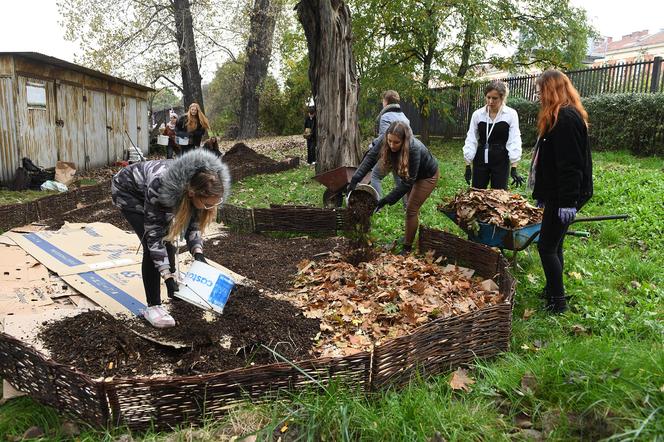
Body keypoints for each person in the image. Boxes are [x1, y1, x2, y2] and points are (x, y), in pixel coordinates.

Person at [111, 150, 231, 327]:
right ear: (191, 194)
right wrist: (167, 276)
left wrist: (198, 252)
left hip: (158, 189)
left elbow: (194, 222)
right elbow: (154, 237)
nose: (209, 208)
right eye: (207, 204)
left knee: (167, 239)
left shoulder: (203, 181)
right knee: (151, 245)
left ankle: (172, 283)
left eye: (214, 204)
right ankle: (153, 306)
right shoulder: (162, 188)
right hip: (128, 191)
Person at [529, 69, 593, 314]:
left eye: (540, 90)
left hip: (564, 194)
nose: (537, 95)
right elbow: (551, 162)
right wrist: (543, 193)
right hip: (557, 192)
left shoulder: (565, 119)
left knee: (546, 247)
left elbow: (570, 166)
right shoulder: (560, 115)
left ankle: (558, 302)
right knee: (555, 245)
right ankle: (553, 290)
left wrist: (568, 202)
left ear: (551, 90)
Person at [348, 121, 439, 255]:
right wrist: (355, 179)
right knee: (409, 208)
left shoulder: (413, 148)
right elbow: (371, 157)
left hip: (426, 176)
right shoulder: (385, 140)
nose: (391, 145)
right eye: (389, 141)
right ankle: (409, 235)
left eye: (396, 142)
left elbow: (408, 182)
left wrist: (386, 200)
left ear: (404, 141)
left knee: (411, 210)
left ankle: (407, 248)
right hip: (409, 174)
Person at [462, 80, 523, 189]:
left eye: (495, 98)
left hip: (500, 158)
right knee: (477, 193)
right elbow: (471, 139)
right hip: (480, 158)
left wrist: (514, 167)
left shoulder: (510, 114)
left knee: (499, 195)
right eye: (488, 97)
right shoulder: (478, 114)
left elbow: (514, 139)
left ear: (502, 97)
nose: (490, 101)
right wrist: (468, 165)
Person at [370, 90, 410, 201]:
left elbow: (384, 139)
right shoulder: (404, 117)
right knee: (400, 179)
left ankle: (378, 205)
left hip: (391, 153)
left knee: (375, 176)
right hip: (402, 154)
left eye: (383, 100)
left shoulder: (385, 116)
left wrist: (372, 144)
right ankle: (408, 207)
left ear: (386, 101)